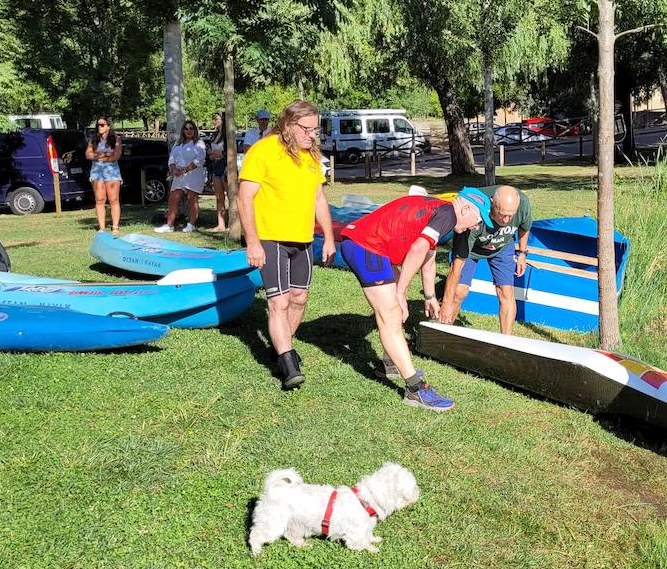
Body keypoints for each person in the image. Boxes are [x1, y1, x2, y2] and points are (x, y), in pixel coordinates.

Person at [337, 188, 491, 410]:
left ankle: (389, 364)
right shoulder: (449, 214)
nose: (475, 227)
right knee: (390, 314)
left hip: (372, 245)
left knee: (398, 312)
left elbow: (428, 256)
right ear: (465, 208)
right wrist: (400, 292)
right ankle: (415, 389)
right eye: (477, 220)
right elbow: (419, 249)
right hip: (367, 246)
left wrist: (429, 296)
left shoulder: (441, 211)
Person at [238, 100, 334, 390]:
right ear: (288, 126)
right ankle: (288, 362)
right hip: (271, 237)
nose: (312, 135)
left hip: (302, 239)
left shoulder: (311, 157)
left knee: (299, 299)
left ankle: (283, 347)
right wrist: (252, 242)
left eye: (316, 129)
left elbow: (319, 198)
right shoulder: (263, 151)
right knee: (278, 301)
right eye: (307, 129)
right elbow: (244, 198)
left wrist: (329, 237)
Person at [438, 184, 531, 335]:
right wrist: (446, 303)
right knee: (460, 292)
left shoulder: (523, 204)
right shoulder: (475, 215)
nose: (507, 220)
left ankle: (506, 343)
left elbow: (524, 227)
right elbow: (456, 269)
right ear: (492, 202)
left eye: (511, 215)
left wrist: (522, 253)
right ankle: (443, 333)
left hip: (502, 245)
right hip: (472, 247)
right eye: (502, 215)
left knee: (506, 292)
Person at [157, 121, 206, 233]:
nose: (189, 131)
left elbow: (200, 159)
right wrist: (174, 169)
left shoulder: (199, 143)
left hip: (193, 174)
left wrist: (185, 170)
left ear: (194, 130)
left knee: (191, 198)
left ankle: (192, 224)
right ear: (183, 130)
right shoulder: (178, 144)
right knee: (173, 198)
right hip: (178, 175)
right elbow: (172, 158)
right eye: (186, 128)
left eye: (191, 128)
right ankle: (169, 225)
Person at [85, 117, 122, 234]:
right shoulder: (93, 140)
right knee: (100, 199)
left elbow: (115, 156)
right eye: (98, 125)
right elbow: (88, 155)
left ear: (108, 126)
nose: (99, 127)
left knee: (113, 199)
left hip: (112, 171)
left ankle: (115, 227)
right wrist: (103, 154)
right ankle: (102, 228)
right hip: (96, 171)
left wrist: (98, 156)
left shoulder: (116, 139)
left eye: (102, 125)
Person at [206, 112, 228, 231]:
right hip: (216, 166)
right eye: (214, 119)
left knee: (231, 195)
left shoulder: (227, 135)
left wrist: (220, 154)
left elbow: (230, 151)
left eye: (217, 119)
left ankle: (236, 223)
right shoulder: (213, 135)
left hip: (226, 166)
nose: (215, 121)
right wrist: (211, 154)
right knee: (219, 196)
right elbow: (209, 150)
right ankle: (221, 224)